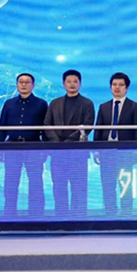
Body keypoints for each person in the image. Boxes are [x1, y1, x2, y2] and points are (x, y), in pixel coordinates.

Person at [44, 69, 95, 218]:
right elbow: (47, 124)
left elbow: (87, 126)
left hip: (77, 153)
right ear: (63, 84)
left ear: (80, 84)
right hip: (57, 152)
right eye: (68, 82)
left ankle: (78, 218)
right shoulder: (55, 103)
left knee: (78, 187)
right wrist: (57, 143)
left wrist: (68, 142)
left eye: (75, 82)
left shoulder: (87, 103)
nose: (72, 84)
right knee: (58, 186)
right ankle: (61, 217)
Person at [0, 73, 49, 216]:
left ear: (33, 85)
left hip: (34, 146)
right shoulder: (9, 103)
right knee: (10, 182)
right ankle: (9, 214)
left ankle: (36, 214)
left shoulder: (42, 104)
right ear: (17, 84)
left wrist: (45, 148)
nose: (24, 85)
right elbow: (2, 126)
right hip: (12, 147)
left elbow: (45, 128)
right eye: (21, 82)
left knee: (36, 182)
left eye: (27, 82)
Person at [94, 72, 137, 216]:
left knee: (125, 185)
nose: (117, 88)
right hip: (106, 151)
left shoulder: (134, 106)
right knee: (108, 185)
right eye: (114, 85)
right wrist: (96, 149)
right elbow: (98, 129)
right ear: (110, 87)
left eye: (121, 85)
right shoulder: (103, 107)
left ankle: (126, 214)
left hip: (125, 152)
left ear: (127, 88)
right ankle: (110, 213)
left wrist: (136, 150)